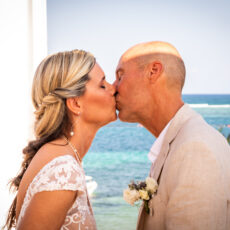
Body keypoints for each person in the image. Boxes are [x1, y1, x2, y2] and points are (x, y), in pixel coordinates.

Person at [114, 41, 230, 230]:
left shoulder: (196, 149)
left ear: (154, 71)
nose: (113, 88)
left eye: (120, 76)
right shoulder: (182, 141)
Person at [3, 49, 116, 230]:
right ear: (75, 103)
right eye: (103, 85)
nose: (113, 88)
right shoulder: (63, 169)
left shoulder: (59, 154)